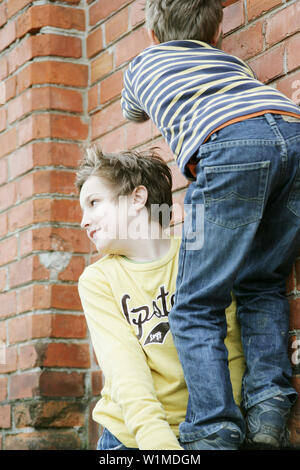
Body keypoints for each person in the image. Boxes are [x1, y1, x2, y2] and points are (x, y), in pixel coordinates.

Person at [120, 0, 300, 450]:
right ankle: (269, 412)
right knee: (262, 282)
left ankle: (213, 431)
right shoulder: (233, 63)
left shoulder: (143, 62)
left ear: (153, 35)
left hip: (227, 146)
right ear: (217, 34)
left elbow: (132, 113)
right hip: (294, 131)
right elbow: (264, 121)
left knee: (196, 303)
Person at [76, 146, 246, 450]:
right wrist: (156, 443)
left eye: (94, 202)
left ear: (138, 199)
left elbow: (230, 344)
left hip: (206, 431)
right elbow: (124, 367)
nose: (84, 221)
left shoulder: (197, 258)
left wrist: (226, 423)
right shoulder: (97, 280)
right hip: (131, 437)